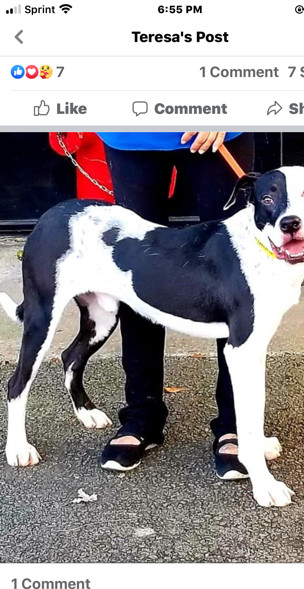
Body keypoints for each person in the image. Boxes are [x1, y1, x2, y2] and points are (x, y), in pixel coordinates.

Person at [97, 132, 254, 480]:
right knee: (137, 272)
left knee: (234, 275)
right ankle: (141, 417)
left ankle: (235, 425)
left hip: (218, 126)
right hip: (132, 130)